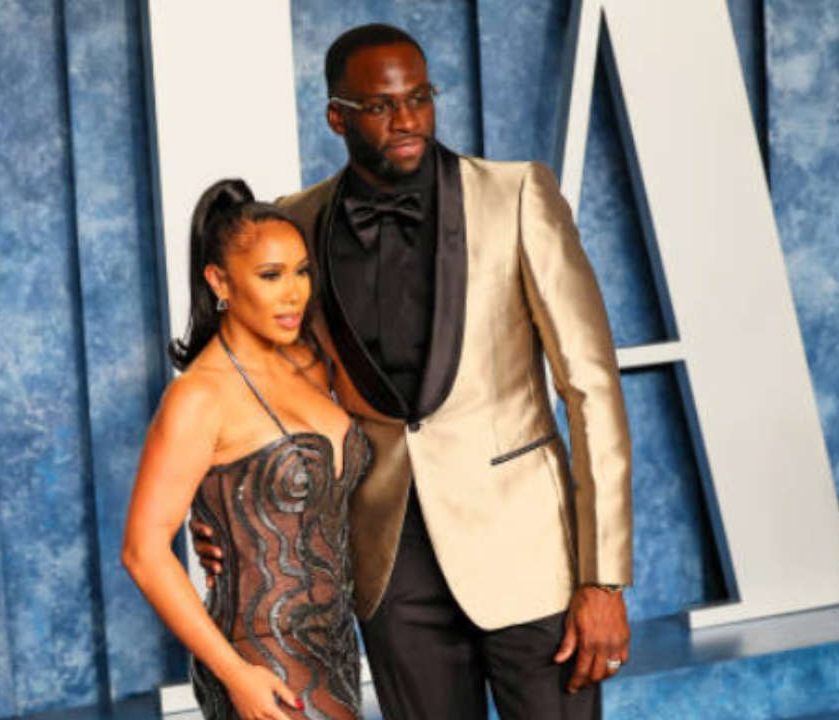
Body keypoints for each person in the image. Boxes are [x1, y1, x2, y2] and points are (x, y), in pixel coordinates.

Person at [196, 23, 634, 720]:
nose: (406, 120)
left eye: (419, 99)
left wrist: (604, 578)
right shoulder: (299, 222)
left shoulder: (517, 195)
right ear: (337, 117)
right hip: (389, 564)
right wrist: (224, 511)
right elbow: (264, 388)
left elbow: (592, 389)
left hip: (527, 551)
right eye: (380, 106)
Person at [122, 179, 373, 720]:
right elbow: (142, 551)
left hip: (338, 648)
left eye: (301, 272)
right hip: (257, 656)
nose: (294, 293)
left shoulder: (311, 361)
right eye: (270, 275)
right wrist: (235, 675)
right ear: (220, 281)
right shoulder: (198, 397)